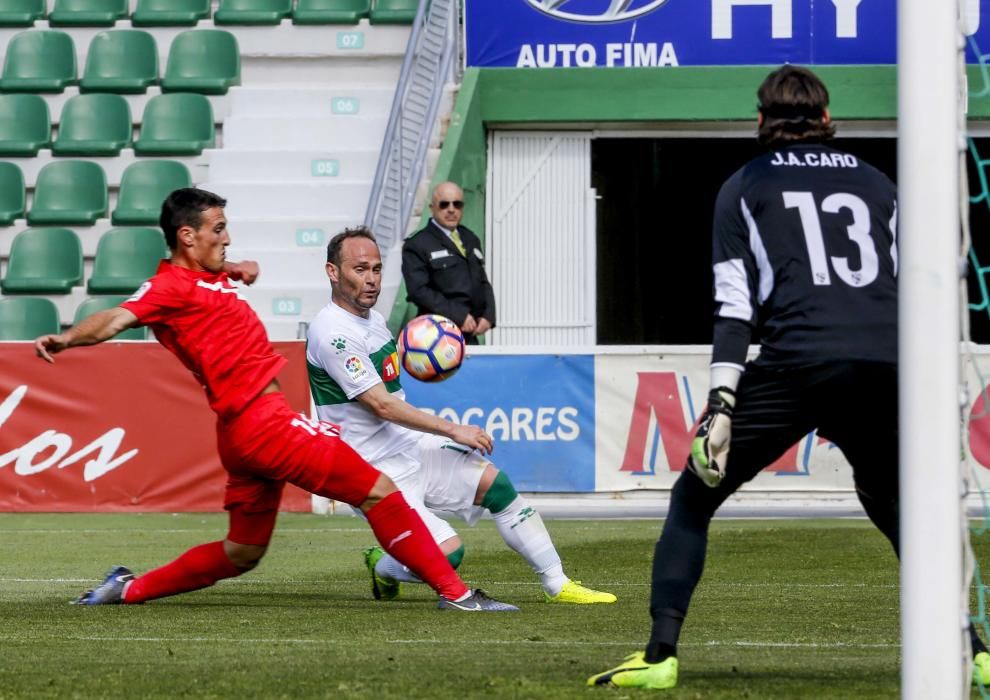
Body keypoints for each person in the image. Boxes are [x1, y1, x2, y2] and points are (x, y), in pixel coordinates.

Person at [588, 65, 990, 689]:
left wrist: (723, 399)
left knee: (693, 498)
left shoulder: (744, 185)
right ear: (827, 120)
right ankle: (976, 647)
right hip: (886, 364)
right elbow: (922, 284)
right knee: (902, 509)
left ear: (760, 121)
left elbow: (734, 305)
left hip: (796, 360)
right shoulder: (880, 184)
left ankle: (660, 655)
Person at [34, 187, 517, 613]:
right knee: (379, 490)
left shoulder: (208, 276)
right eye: (218, 230)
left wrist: (238, 271)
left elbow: (218, 283)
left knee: (243, 553)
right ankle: (458, 595)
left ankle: (127, 589)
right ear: (187, 236)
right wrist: (67, 339)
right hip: (264, 421)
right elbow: (117, 318)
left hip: (241, 434)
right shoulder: (169, 287)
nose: (227, 238)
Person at [307, 226, 615, 604]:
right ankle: (385, 566)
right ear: (332, 272)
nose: (371, 280)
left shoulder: (373, 319)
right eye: (359, 270)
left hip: (407, 445)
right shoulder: (331, 333)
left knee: (498, 488)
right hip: (371, 469)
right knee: (449, 554)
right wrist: (454, 429)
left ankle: (558, 584)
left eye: (376, 269)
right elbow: (381, 404)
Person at [402, 181, 496, 344]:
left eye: (457, 204)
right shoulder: (417, 244)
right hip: (436, 336)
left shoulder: (470, 238)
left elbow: (482, 281)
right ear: (432, 208)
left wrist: (488, 315)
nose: (451, 209)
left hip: (469, 335)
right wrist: (458, 316)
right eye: (444, 204)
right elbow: (419, 290)